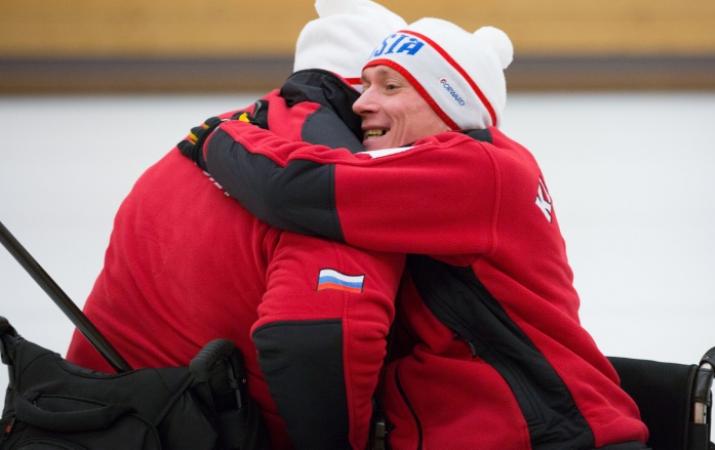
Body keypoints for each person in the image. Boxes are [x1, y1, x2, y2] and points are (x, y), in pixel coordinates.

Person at [188, 17, 651, 449]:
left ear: (450, 103)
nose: (361, 102)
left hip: (551, 436)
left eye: (390, 87)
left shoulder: (476, 168)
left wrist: (221, 135)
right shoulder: (478, 167)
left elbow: (292, 190)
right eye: (364, 85)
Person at [67, 1, 408, 449]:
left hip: (86, 418)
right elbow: (317, 341)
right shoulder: (342, 184)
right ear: (362, 92)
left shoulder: (207, 138)